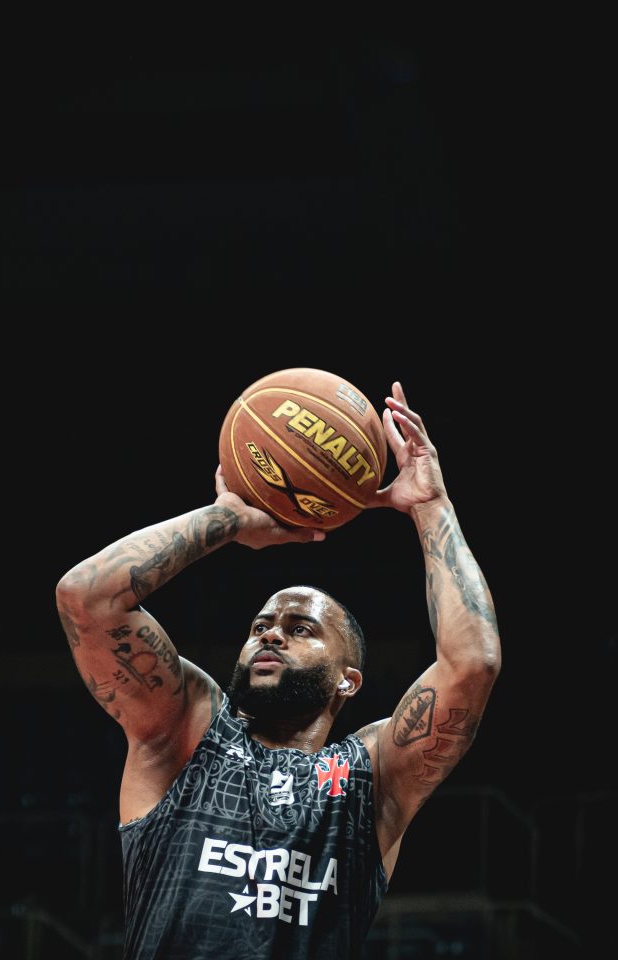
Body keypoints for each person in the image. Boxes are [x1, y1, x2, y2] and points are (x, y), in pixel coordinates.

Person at [55, 382, 501, 959]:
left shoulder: (371, 776)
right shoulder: (187, 732)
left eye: (301, 629)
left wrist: (430, 504)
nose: (270, 634)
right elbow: (86, 599)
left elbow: (473, 662)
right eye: (261, 625)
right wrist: (225, 519)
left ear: (347, 680)